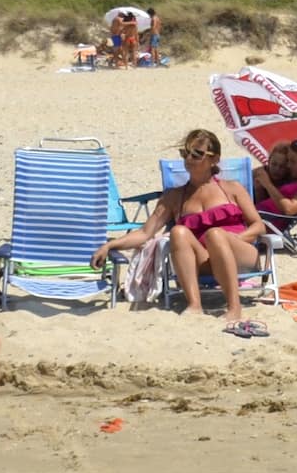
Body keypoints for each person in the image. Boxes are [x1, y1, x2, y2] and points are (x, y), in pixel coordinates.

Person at [96, 129, 265, 328]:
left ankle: (234, 307)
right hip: (203, 259)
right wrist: (110, 245)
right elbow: (145, 233)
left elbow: (259, 225)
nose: (189, 159)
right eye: (185, 153)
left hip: (241, 254)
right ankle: (194, 305)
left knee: (215, 235)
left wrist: (230, 240)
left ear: (214, 159)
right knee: (178, 232)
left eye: (197, 154)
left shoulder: (232, 188)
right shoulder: (174, 196)